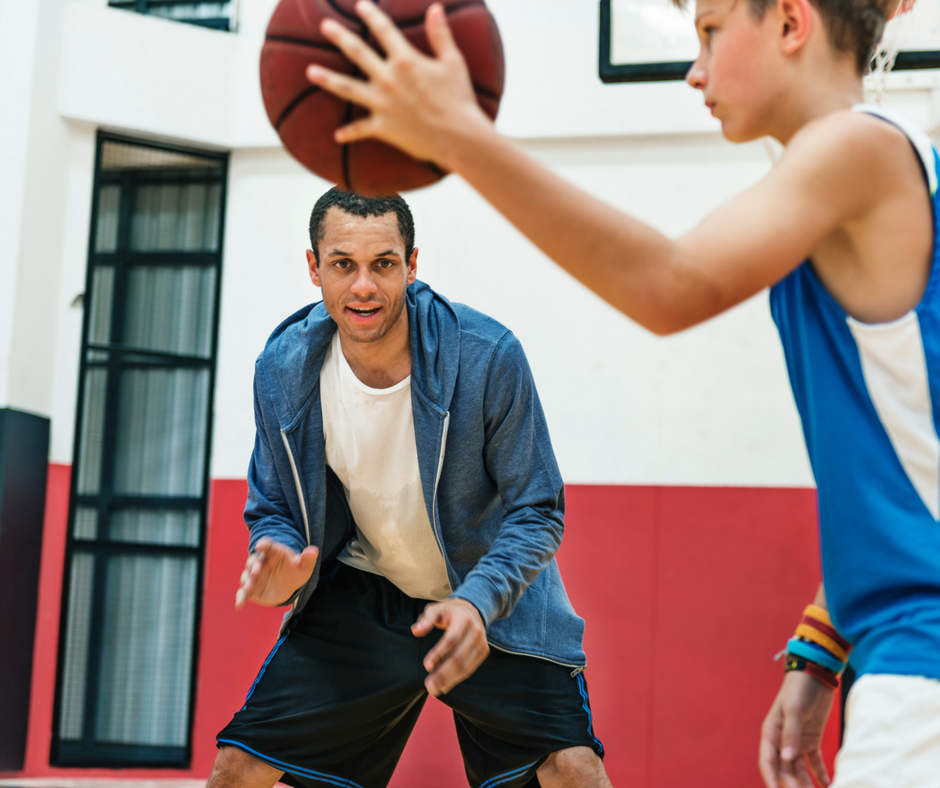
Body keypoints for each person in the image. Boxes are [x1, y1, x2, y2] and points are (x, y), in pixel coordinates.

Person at [303, 1, 940, 787]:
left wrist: (458, 133)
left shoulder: (858, 148)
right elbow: (904, 466)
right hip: (896, 645)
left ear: (790, 22)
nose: (694, 67)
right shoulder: (876, 172)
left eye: (709, 30)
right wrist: (820, 645)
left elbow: (668, 285)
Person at [209, 188, 610, 788]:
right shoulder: (283, 367)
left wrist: (477, 601)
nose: (364, 286)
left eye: (384, 264)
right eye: (343, 264)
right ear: (314, 267)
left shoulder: (485, 356)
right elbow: (272, 507)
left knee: (573, 770)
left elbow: (538, 509)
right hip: (367, 591)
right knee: (237, 768)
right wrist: (280, 554)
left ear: (412, 264)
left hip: (483, 596)